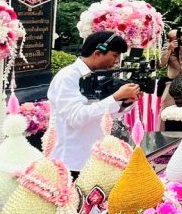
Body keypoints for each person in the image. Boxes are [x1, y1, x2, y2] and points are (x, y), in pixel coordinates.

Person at [48, 31, 140, 176]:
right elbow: (76, 117)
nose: (117, 61)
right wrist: (115, 97)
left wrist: (124, 103)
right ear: (97, 53)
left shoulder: (100, 75)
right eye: (115, 55)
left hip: (95, 158)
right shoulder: (68, 76)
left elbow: (103, 115)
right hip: (71, 162)